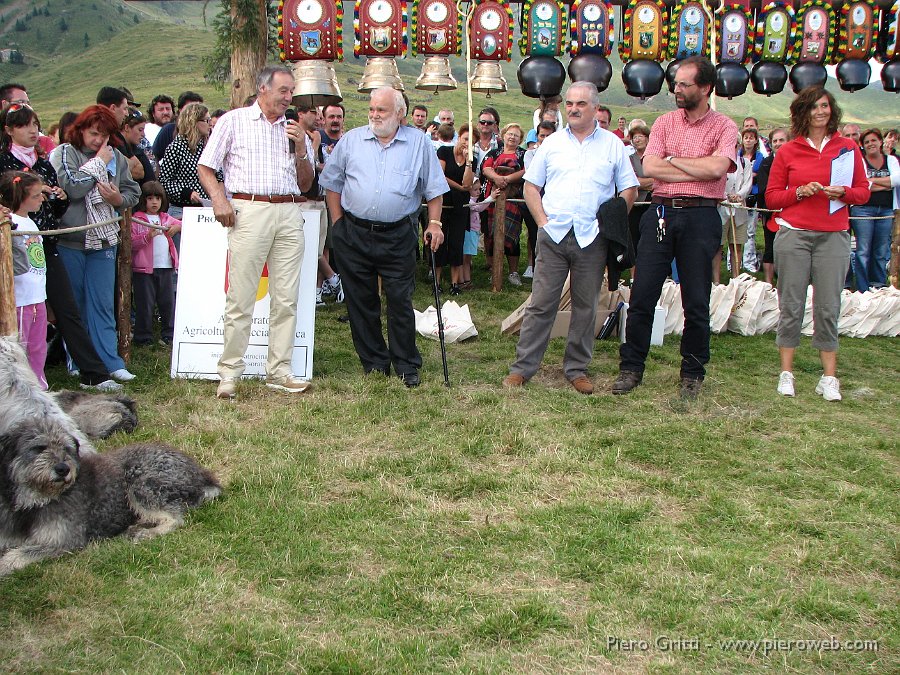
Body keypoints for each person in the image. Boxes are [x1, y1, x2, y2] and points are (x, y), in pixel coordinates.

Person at [614, 56, 738, 400]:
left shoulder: (725, 126)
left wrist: (674, 163)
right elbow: (651, 166)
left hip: (701, 216)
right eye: (676, 83)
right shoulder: (666, 122)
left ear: (706, 88)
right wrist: (694, 168)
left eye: (684, 84)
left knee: (696, 298)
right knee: (643, 294)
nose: (676, 89)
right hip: (661, 213)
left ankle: (692, 373)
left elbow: (717, 168)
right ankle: (631, 368)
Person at [504, 82, 639, 395]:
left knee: (586, 305)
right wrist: (543, 223)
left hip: (592, 238)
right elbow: (530, 188)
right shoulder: (551, 145)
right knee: (541, 303)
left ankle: (576, 368)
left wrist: (613, 221)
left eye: (581, 104)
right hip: (554, 236)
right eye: (570, 104)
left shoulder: (613, 145)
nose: (574, 109)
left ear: (595, 108)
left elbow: (629, 189)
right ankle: (523, 369)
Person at [198, 66, 315, 399]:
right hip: (249, 210)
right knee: (241, 297)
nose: (288, 98)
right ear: (263, 89)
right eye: (283, 91)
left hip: (290, 210)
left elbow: (306, 183)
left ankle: (279, 371)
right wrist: (219, 199)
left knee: (286, 298)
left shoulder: (295, 131)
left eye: (291, 91)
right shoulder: (233, 121)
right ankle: (229, 374)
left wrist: (302, 149)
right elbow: (206, 166)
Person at [319, 87, 448, 387]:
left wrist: (435, 223)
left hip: (398, 235)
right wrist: (338, 225)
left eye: (383, 110)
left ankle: (406, 364)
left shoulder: (420, 144)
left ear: (400, 114)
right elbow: (332, 183)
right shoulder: (351, 141)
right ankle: (375, 363)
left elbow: (434, 189)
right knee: (360, 302)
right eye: (372, 109)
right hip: (353, 233)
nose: (375, 115)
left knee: (400, 300)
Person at [0, 104, 122, 392]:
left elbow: (59, 207)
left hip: (46, 243)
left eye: (35, 124)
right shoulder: (3, 161)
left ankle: (92, 372)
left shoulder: (43, 163)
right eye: (23, 125)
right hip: (10, 247)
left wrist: (59, 197)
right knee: (14, 316)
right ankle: (14, 380)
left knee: (66, 308)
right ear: (8, 130)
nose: (32, 131)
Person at [766, 86, 869, 401]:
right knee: (791, 304)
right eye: (814, 107)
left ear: (832, 109)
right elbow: (771, 197)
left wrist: (844, 193)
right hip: (794, 234)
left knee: (828, 307)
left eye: (825, 106)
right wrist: (799, 192)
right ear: (803, 112)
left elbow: (863, 191)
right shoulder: (788, 151)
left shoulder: (848, 148)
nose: (820, 112)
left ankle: (829, 378)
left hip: (834, 235)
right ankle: (786, 374)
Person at [51, 105, 141, 383]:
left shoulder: (118, 159)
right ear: (80, 130)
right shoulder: (65, 152)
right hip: (71, 239)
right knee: (74, 306)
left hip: (104, 239)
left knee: (102, 304)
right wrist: (99, 163)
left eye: (104, 136)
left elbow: (132, 192)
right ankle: (79, 361)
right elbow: (73, 188)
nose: (98, 141)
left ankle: (111, 361)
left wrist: (117, 200)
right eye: (93, 134)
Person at [1, 171, 49, 388]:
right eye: (36, 195)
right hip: (20, 299)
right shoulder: (10, 222)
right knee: (20, 348)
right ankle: (22, 389)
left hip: (37, 296)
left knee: (38, 346)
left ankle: (39, 384)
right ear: (21, 197)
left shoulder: (30, 222)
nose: (42, 199)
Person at [131, 181, 181, 346]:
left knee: (167, 302)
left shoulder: (166, 218)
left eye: (158, 198)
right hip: (143, 269)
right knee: (145, 304)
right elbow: (131, 243)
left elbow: (182, 223)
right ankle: (143, 337)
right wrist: (148, 236)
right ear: (143, 200)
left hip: (166, 267)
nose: (154, 202)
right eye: (150, 198)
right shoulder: (136, 219)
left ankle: (169, 334)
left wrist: (177, 229)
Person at [851, 128, 899, 291]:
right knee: (863, 250)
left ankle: (878, 285)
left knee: (881, 250)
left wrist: (871, 182)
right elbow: (862, 185)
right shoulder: (860, 161)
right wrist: (885, 184)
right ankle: (863, 288)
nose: (870, 144)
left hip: (886, 211)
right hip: (862, 209)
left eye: (873, 140)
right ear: (862, 145)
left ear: (880, 141)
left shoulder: (891, 160)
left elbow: (897, 180)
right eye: (866, 142)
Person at [481, 123, 527, 285]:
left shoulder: (523, 154)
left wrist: (507, 179)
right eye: (510, 134)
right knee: (493, 235)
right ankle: (495, 271)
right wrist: (497, 178)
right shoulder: (494, 152)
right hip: (495, 198)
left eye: (516, 135)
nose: (512, 137)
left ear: (520, 139)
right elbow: (485, 168)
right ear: (504, 135)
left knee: (512, 236)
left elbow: (527, 170)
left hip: (513, 200)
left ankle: (513, 272)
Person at [436, 124, 475, 295]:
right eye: (466, 139)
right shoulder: (444, 151)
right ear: (459, 137)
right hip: (443, 203)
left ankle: (454, 284)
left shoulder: (472, 159)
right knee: (439, 242)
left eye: (471, 142)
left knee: (457, 242)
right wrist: (460, 187)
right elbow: (441, 176)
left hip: (460, 206)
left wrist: (468, 163)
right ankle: (436, 282)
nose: (467, 144)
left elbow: (468, 183)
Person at [158, 103, 213, 219]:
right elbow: (164, 181)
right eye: (207, 120)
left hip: (208, 211)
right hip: (181, 211)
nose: (210, 125)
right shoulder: (175, 148)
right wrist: (187, 193)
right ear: (194, 122)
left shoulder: (208, 147)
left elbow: (218, 175)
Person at [713, 143, 752, 284]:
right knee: (718, 246)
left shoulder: (745, 162)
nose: (733, 148)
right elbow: (715, 181)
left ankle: (736, 278)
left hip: (739, 209)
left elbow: (748, 183)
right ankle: (716, 281)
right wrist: (725, 196)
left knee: (737, 244)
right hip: (722, 208)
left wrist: (739, 195)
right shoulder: (720, 162)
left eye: (736, 145)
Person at [757, 127, 789, 285]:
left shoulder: (796, 161)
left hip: (793, 212)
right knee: (770, 248)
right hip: (772, 212)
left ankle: (787, 282)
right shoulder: (766, 163)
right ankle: (769, 284)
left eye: (781, 140)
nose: (778, 143)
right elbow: (763, 190)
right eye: (775, 141)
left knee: (791, 250)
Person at [626, 124, 653, 266]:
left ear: (648, 139)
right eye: (634, 137)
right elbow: (633, 182)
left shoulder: (654, 157)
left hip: (653, 203)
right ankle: (633, 278)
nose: (637, 140)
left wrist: (646, 182)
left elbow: (663, 179)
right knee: (635, 239)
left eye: (640, 136)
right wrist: (653, 181)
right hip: (636, 204)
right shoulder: (629, 159)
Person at [153, 91, 204, 161]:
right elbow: (156, 158)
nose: (194, 112)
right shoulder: (169, 130)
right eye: (190, 108)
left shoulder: (205, 131)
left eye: (198, 109)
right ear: (180, 110)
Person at [120, 108, 156, 185]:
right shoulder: (113, 148)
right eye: (140, 130)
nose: (143, 134)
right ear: (127, 128)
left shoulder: (139, 153)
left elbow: (149, 180)